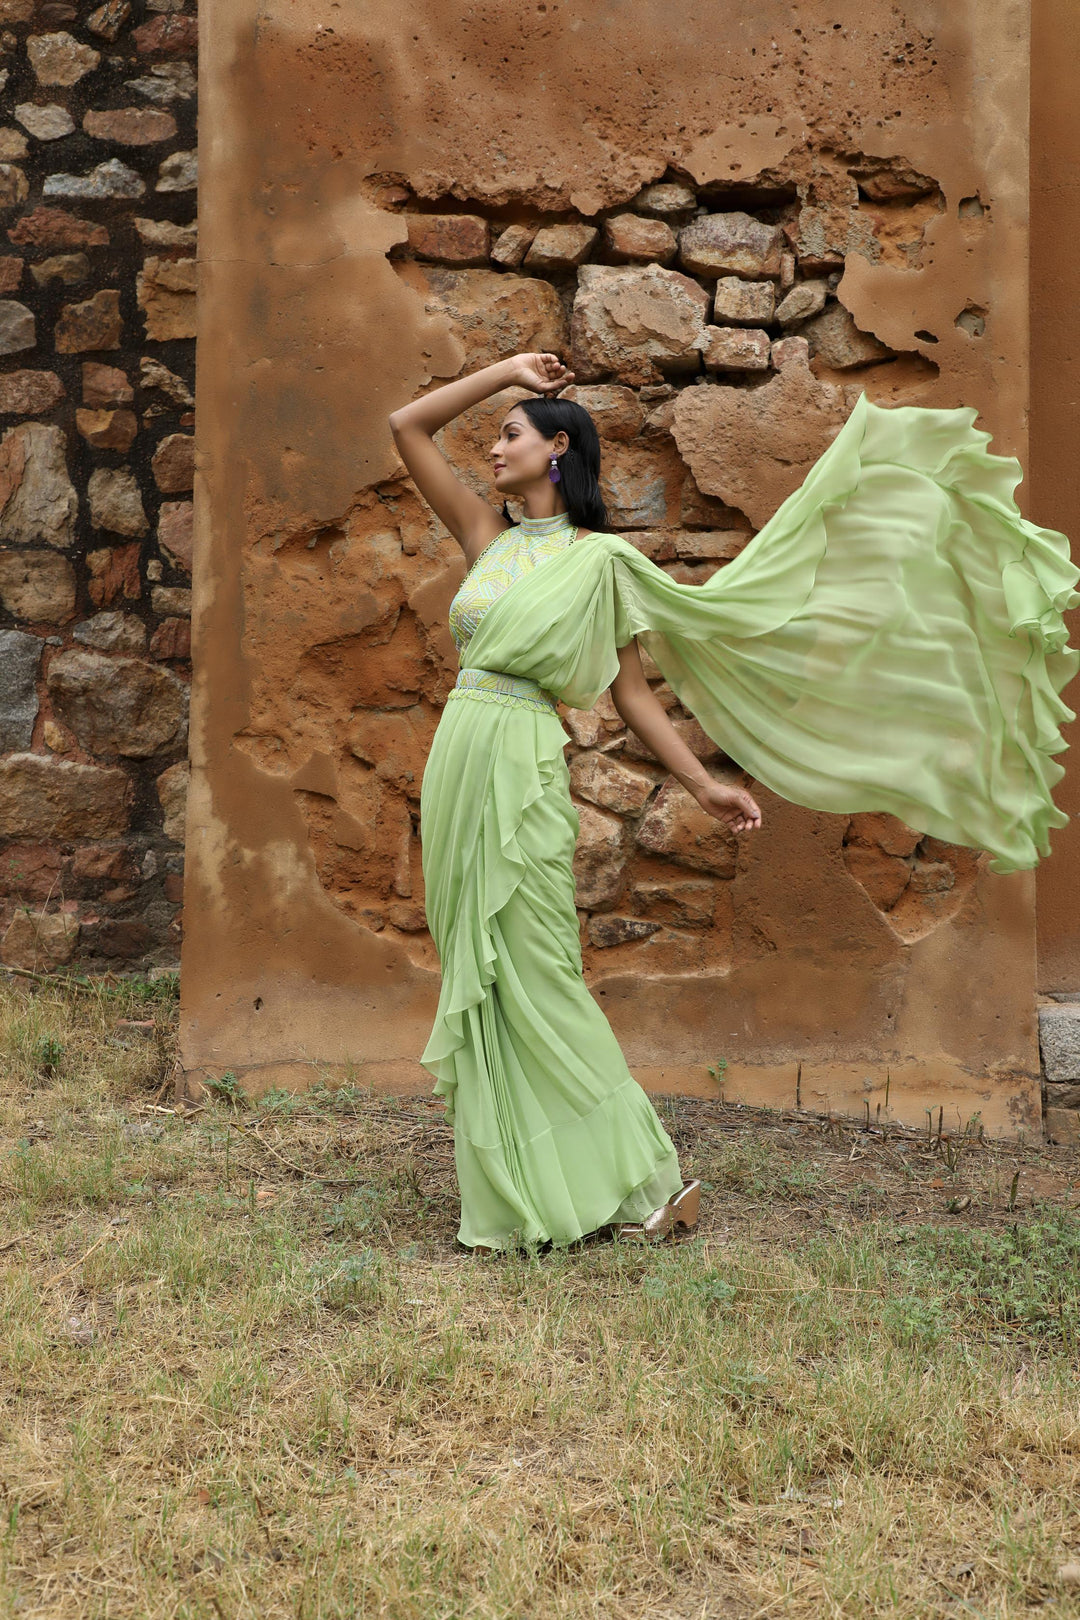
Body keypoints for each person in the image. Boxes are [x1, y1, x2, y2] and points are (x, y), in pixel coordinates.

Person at [389, 350, 1078, 1255]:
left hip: (521, 757)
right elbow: (407, 425)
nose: (493, 447)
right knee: (476, 975)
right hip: (460, 753)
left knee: (536, 964)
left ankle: (630, 1180)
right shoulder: (486, 536)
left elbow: (632, 694)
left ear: (558, 449)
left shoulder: (602, 564)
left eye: (511, 432)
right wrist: (506, 373)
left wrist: (702, 781)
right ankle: (519, 1191)